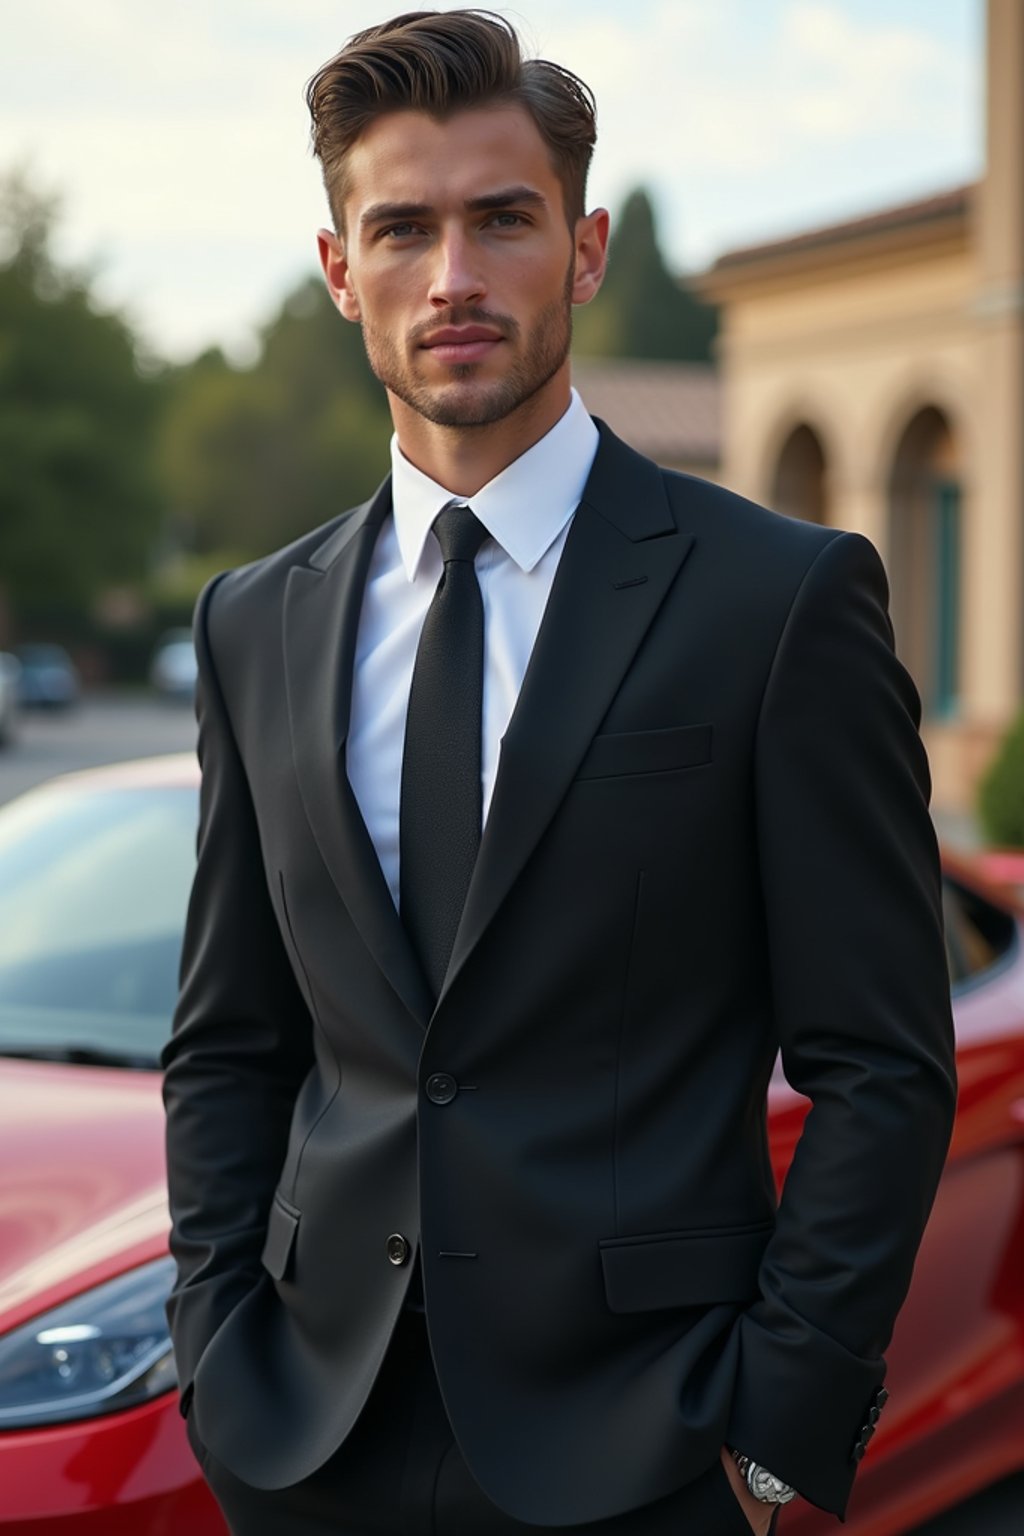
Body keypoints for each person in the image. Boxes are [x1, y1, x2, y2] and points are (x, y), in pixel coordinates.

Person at [161, 11, 957, 1535]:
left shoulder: (776, 602)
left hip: (649, 1449)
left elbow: (881, 1061)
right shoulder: (253, 622)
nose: (452, 276)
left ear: (584, 250)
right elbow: (229, 1042)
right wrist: (220, 1358)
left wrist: (774, 1426)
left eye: (501, 220)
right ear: (342, 272)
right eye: (400, 228)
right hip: (307, 1442)